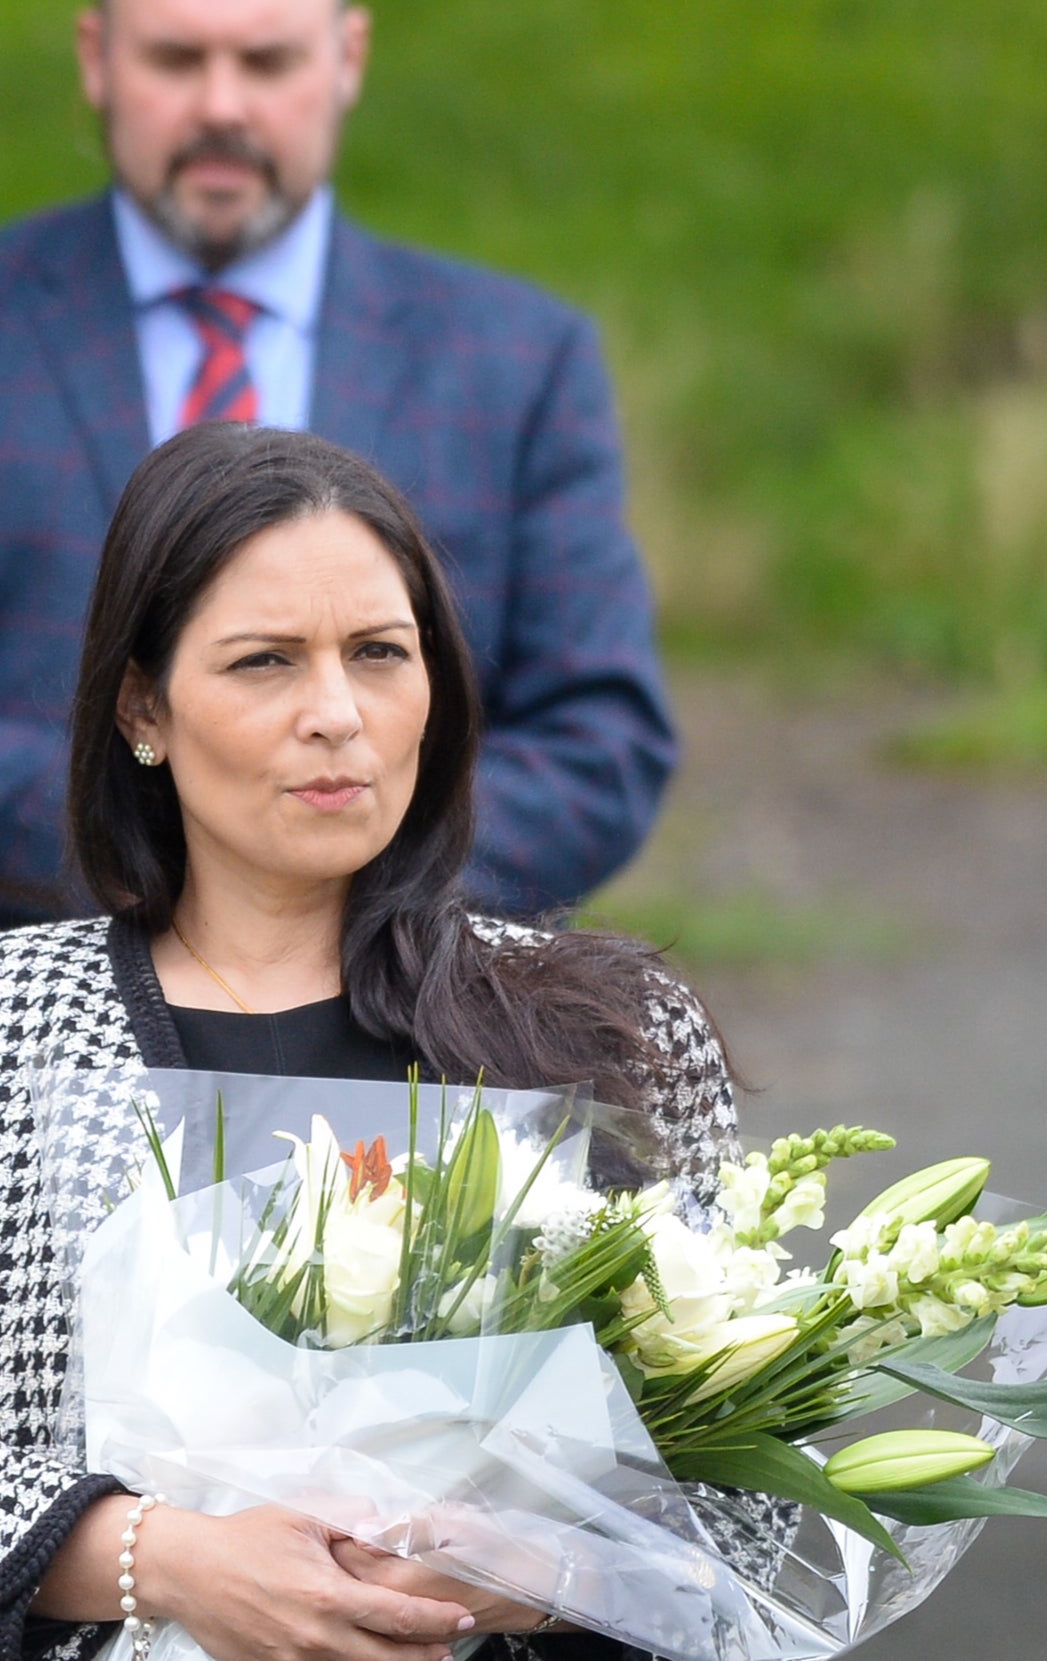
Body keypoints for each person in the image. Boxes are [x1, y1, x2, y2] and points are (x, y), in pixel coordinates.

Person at [0, 423, 733, 1661]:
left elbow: (739, 1502)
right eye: (264, 662)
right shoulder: (18, 1033)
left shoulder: (615, 1033)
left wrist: (547, 1570)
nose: (336, 714)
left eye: (380, 654)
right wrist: (160, 1558)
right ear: (143, 705)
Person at [0, 0, 674, 924]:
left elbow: (603, 743)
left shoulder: (518, 363)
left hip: (412, 1038)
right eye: (176, 58)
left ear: (348, 57)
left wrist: (333, 879)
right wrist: (185, 857)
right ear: (96, 58)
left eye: (267, 61)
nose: (221, 105)